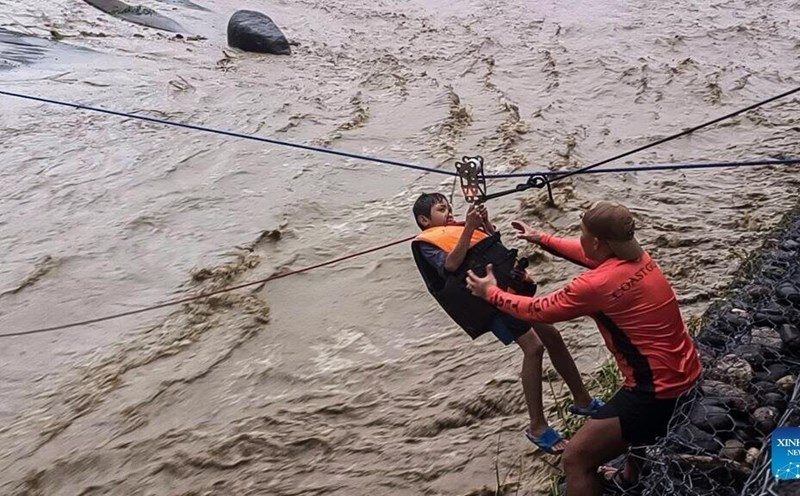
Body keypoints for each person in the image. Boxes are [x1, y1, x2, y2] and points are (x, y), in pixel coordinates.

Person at [465, 201, 703, 495]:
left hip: (655, 394)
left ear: (597, 242)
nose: (580, 239)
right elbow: (587, 255)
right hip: (689, 375)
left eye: (582, 233)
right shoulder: (640, 259)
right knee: (629, 416)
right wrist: (543, 239)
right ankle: (631, 477)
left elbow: (537, 310)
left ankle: (620, 473)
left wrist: (491, 293)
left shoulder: (594, 285)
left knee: (576, 458)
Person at [411, 192, 604, 455]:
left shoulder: (456, 229)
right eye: (442, 210)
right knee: (533, 348)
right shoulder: (427, 243)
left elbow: (493, 245)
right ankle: (537, 426)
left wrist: (484, 225)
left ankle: (583, 400)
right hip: (487, 300)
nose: (450, 214)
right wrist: (468, 227)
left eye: (449, 208)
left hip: (508, 291)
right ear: (424, 220)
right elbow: (451, 264)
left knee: (553, 336)